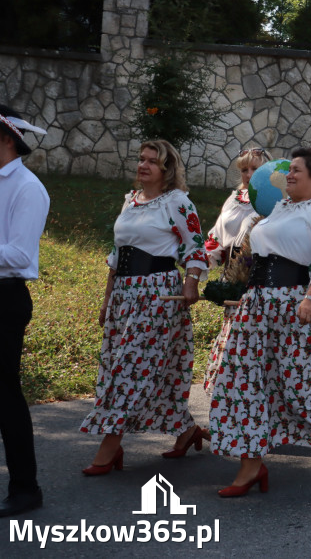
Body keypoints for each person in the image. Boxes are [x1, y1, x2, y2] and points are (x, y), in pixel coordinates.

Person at [209, 148, 311, 496]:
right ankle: (251, 466)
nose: (288, 175)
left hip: (295, 305)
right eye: (289, 170)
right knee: (242, 382)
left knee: (299, 388)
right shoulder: (278, 208)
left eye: (297, 171)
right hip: (256, 304)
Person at [80, 140, 210, 475]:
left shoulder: (177, 202)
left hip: (157, 296)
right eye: (141, 159)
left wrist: (191, 282)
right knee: (135, 368)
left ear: (167, 170)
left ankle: (109, 446)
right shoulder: (131, 201)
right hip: (124, 294)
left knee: (128, 369)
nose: (144, 165)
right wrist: (107, 300)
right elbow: (115, 255)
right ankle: (186, 430)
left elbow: (196, 247)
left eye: (153, 161)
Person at [0, 107, 49, 517]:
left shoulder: (27, 187)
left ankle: (25, 488)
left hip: (4, 300)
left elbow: (18, 255)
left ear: (6, 138)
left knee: (5, 395)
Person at [202, 148, 265, 394]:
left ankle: (249, 394)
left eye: (255, 169)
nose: (249, 174)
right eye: (244, 169)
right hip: (233, 276)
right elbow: (216, 236)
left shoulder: (277, 200)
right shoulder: (234, 199)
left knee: (249, 340)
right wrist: (201, 263)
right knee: (232, 337)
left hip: (259, 278)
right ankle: (228, 395)